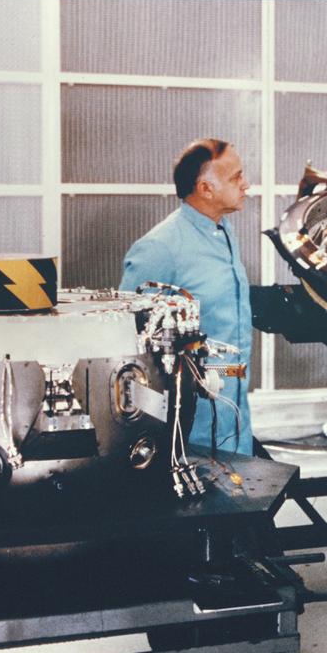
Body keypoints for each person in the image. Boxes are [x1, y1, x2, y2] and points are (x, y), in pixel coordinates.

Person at [120, 138, 255, 456]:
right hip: (188, 422)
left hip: (233, 408)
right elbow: (129, 339)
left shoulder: (222, 232)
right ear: (206, 188)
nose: (245, 185)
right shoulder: (159, 248)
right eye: (236, 177)